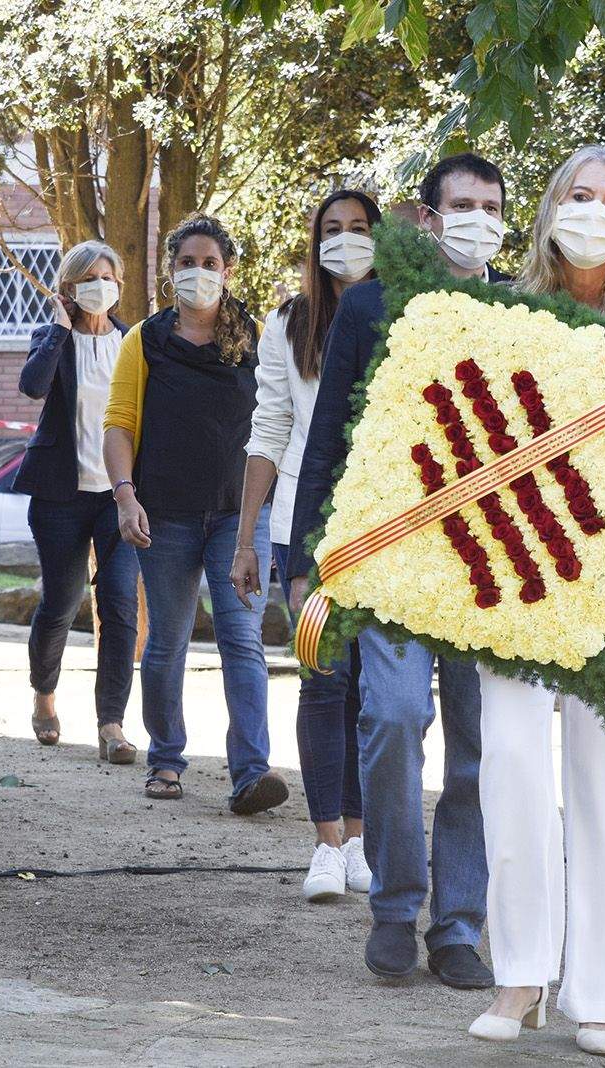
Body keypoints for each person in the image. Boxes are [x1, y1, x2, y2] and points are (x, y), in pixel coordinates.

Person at [464, 144, 605, 1057]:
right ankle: (519, 975)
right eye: (579, 196)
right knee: (510, 762)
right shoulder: (504, 314)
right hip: (515, 580)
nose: (594, 213)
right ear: (552, 208)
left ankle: (599, 991)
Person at [286, 152, 511, 990]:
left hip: (488, 569)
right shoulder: (371, 305)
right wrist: (314, 556)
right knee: (388, 718)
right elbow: (328, 441)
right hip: (389, 558)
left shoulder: (524, 308)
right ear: (429, 214)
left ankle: (456, 926)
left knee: (474, 752)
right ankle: (393, 907)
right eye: (462, 204)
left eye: (490, 205)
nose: (476, 217)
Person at [102, 214, 287, 815]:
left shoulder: (257, 340)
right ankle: (166, 756)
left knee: (242, 640)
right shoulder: (144, 341)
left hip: (240, 517)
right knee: (168, 642)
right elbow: (119, 425)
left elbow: (278, 422)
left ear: (228, 272)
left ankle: (252, 771)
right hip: (165, 516)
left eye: (210, 264)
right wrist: (125, 496)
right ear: (170, 271)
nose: (198, 273)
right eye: (187, 263)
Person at [230, 190, 381, 901]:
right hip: (306, 531)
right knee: (324, 681)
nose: (345, 240)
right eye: (332, 229)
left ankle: (360, 839)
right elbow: (268, 431)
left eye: (358, 229)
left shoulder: (406, 314)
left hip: (389, 532)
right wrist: (247, 540)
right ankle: (327, 845)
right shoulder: (290, 324)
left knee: (378, 697)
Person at [13, 240, 141, 761]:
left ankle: (111, 722)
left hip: (120, 496)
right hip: (60, 495)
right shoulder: (51, 337)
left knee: (120, 606)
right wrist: (61, 331)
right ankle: (44, 694)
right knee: (62, 602)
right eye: (90, 278)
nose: (101, 286)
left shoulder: (135, 341)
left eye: (109, 277)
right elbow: (31, 388)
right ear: (69, 288)